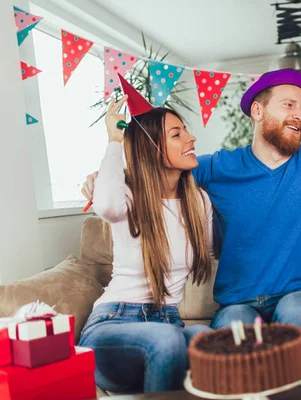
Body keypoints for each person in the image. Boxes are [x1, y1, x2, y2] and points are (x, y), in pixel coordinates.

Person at [82, 69, 301, 365]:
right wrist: (109, 176)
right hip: (237, 301)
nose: (300, 115)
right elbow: (160, 167)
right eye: (289, 105)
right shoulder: (217, 167)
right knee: (232, 333)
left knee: (299, 315)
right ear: (258, 111)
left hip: (295, 294)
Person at [79, 77, 213, 393]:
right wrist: (114, 140)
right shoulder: (128, 196)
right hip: (112, 327)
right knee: (166, 340)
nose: (192, 138)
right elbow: (107, 204)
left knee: (207, 340)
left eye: (186, 131)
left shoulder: (199, 202)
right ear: (152, 147)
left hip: (167, 323)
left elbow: (207, 250)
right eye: (178, 134)